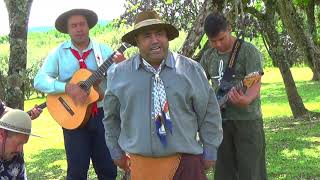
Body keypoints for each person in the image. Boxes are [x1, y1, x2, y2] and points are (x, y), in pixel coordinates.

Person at [103, 10, 223, 180]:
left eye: (159, 34)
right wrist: (116, 152)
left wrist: (210, 151)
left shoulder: (190, 70)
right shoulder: (119, 74)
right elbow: (111, 118)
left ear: (167, 37)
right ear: (137, 41)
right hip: (141, 166)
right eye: (147, 36)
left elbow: (209, 112)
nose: (155, 41)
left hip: (186, 164)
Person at [34, 9, 124, 180]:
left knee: (108, 170)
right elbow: (39, 80)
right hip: (71, 117)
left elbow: (121, 81)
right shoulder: (58, 53)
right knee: (76, 173)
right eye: (73, 25)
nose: (79, 29)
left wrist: (123, 67)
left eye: (82, 24)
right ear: (68, 30)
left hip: (102, 116)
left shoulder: (103, 51)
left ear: (88, 26)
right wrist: (67, 87)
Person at [200, 13, 267, 180]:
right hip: (220, 122)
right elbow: (199, 84)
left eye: (221, 39)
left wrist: (247, 99)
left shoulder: (248, 51)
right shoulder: (208, 56)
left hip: (247, 121)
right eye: (213, 41)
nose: (217, 44)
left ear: (229, 29)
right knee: (224, 172)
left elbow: (255, 81)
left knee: (251, 171)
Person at [0, 103, 40, 179]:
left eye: (23, 144)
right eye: (18, 143)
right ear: (1, 134)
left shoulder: (16, 156)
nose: (20, 150)